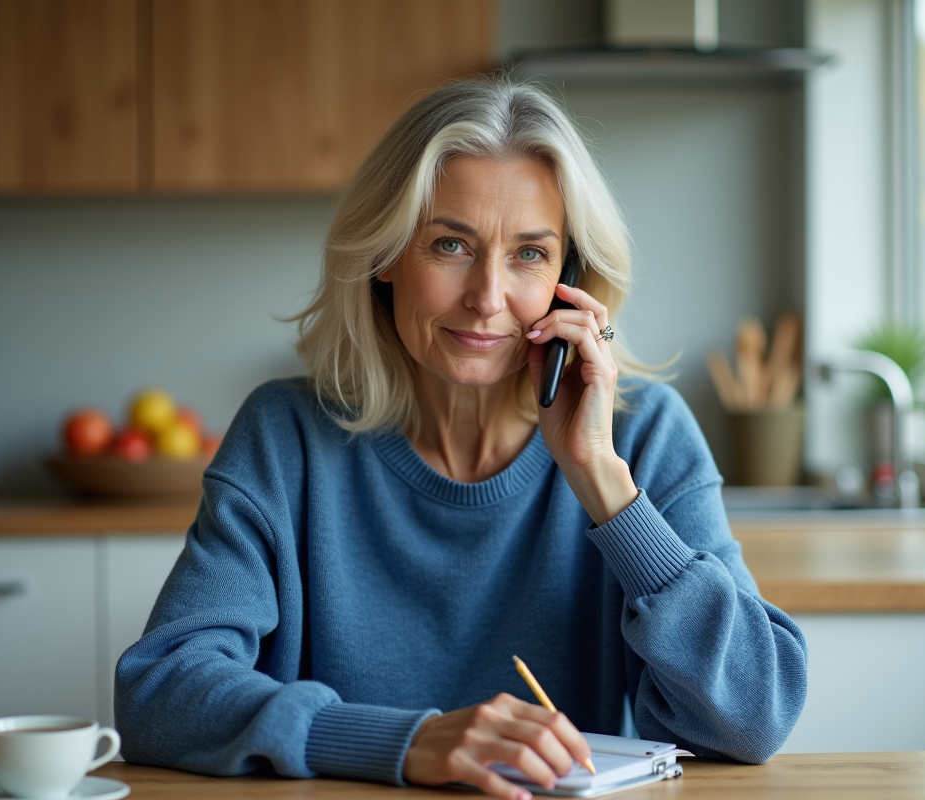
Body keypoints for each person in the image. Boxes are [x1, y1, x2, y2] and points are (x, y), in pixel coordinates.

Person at [115, 77, 807, 799]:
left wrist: (602, 480)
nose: (487, 297)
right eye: (450, 245)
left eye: (530, 255)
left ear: (571, 281)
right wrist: (402, 743)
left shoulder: (645, 435)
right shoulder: (286, 437)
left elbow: (755, 717)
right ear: (385, 257)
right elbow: (159, 690)